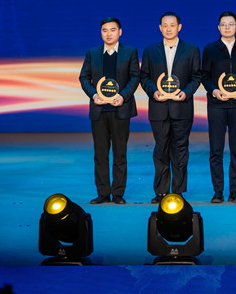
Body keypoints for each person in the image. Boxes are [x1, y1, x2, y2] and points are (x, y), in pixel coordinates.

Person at [140, 12, 202, 203]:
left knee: (180, 149)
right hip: (158, 108)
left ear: (179, 27)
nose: (168, 29)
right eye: (165, 25)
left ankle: (178, 191)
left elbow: (196, 76)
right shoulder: (150, 50)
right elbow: (144, 77)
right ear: (160, 28)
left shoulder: (191, 50)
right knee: (161, 149)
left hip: (182, 108)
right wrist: (153, 92)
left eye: (172, 25)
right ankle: (161, 192)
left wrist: (186, 92)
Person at [79, 17, 140, 205]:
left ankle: (118, 193)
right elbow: (84, 77)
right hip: (99, 110)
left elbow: (135, 77)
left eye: (112, 30)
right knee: (100, 154)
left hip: (121, 109)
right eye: (104, 30)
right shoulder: (92, 53)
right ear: (101, 33)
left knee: (120, 154)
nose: (108, 34)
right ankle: (103, 193)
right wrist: (93, 95)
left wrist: (123, 96)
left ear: (120, 32)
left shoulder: (130, 52)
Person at [201, 11, 236, 204]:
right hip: (216, 105)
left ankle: (234, 192)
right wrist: (214, 91)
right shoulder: (210, 49)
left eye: (230, 24)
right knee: (216, 150)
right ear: (218, 27)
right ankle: (218, 192)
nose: (227, 27)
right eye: (223, 24)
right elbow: (204, 76)